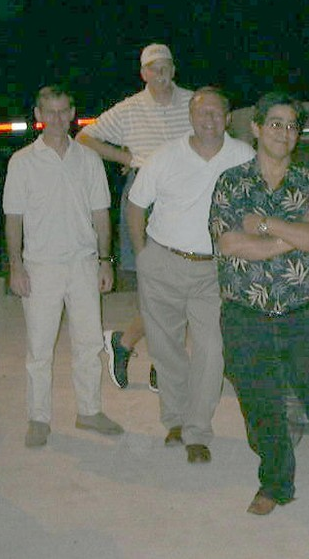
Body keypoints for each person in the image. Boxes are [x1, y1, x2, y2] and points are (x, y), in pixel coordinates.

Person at [210, 91, 309, 524]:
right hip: (245, 315)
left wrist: (267, 226)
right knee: (260, 405)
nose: (284, 132)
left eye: (292, 125)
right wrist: (296, 236)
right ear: (256, 128)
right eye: (275, 123)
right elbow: (230, 244)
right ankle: (275, 483)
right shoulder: (231, 184)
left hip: (304, 314)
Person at [126, 87, 254, 463]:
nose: (209, 120)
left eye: (216, 113)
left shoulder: (243, 156)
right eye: (201, 113)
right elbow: (136, 205)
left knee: (211, 350)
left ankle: (198, 431)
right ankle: (176, 421)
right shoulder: (165, 156)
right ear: (191, 117)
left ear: (227, 118)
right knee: (165, 347)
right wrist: (142, 255)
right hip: (163, 261)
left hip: (213, 270)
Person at [3, 86, 124, 449]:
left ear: (72, 113)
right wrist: (15, 267)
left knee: (88, 342)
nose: (56, 119)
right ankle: (38, 418)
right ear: (38, 115)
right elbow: (13, 219)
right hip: (40, 266)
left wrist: (106, 262)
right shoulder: (22, 161)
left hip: (83, 263)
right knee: (39, 348)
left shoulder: (88, 159)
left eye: (62, 111)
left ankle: (89, 410)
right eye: (49, 112)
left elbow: (101, 214)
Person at [77, 43, 194, 391]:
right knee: (157, 285)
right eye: (153, 68)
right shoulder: (129, 109)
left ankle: (126, 342)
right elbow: (85, 137)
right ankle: (160, 362)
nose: (160, 74)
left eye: (166, 66)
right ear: (143, 73)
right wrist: (126, 158)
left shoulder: (193, 103)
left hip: (187, 196)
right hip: (146, 199)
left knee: (184, 285)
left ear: (174, 69)